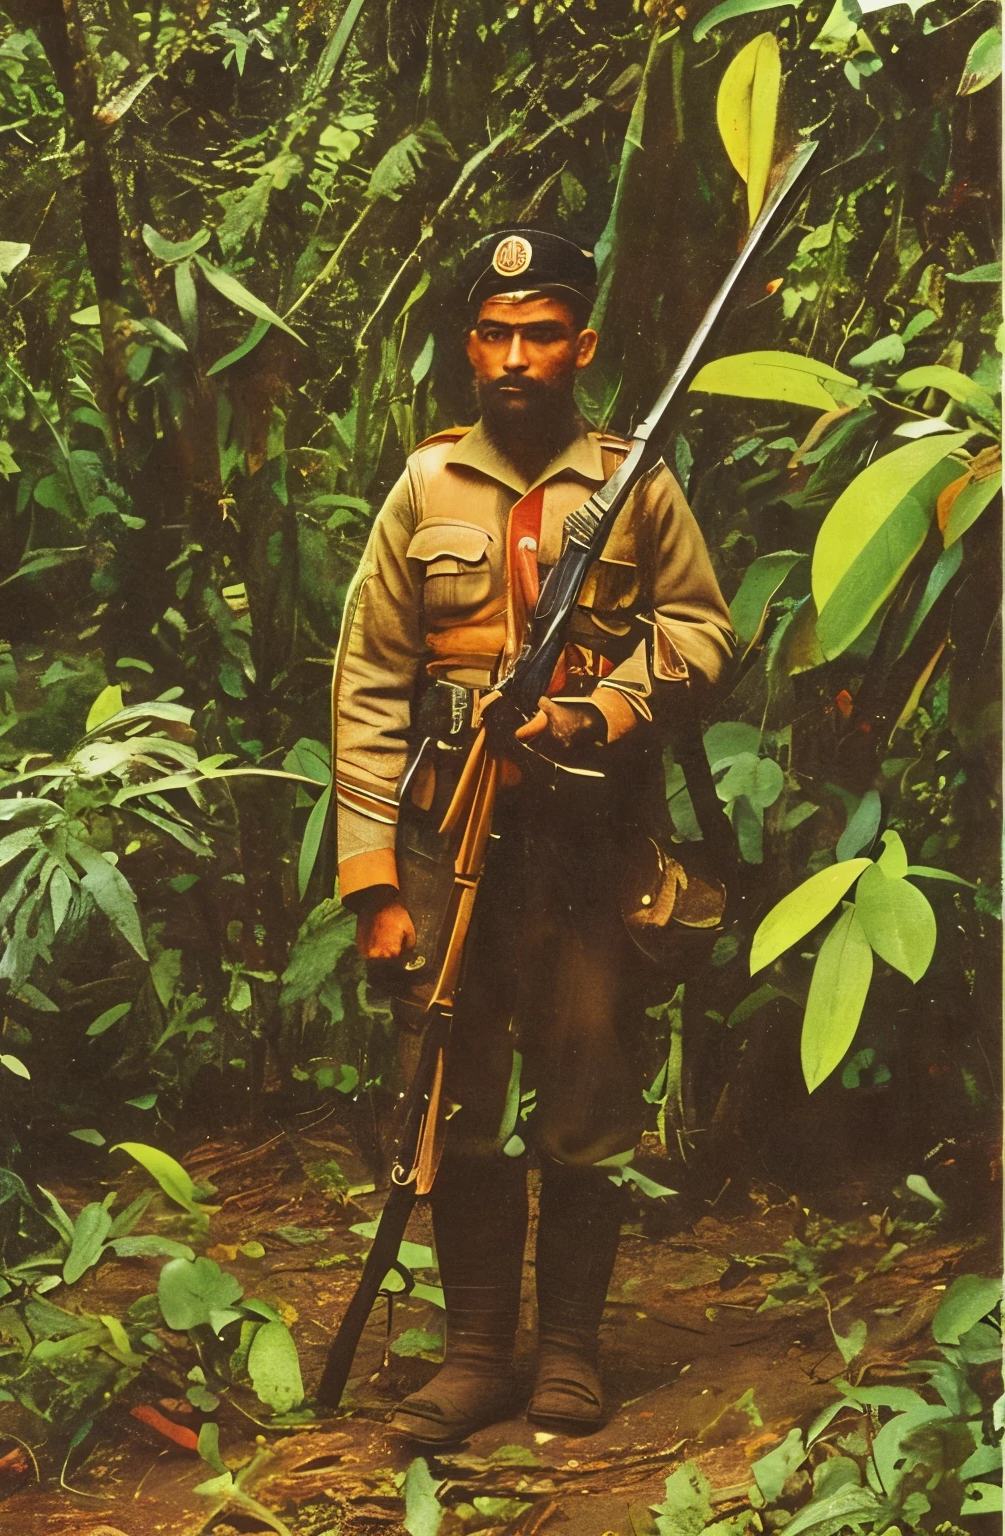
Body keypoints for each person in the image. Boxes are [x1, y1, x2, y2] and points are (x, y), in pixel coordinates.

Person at [332, 227, 736, 1444]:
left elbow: (707, 636)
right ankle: (473, 1359)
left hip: (585, 845)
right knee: (450, 1091)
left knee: (589, 1086)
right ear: (469, 347)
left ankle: (565, 1356)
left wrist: (602, 706)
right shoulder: (424, 488)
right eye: (496, 335)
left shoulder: (636, 480)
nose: (516, 357)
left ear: (582, 346)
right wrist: (371, 882)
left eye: (541, 334)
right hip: (449, 840)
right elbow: (366, 683)